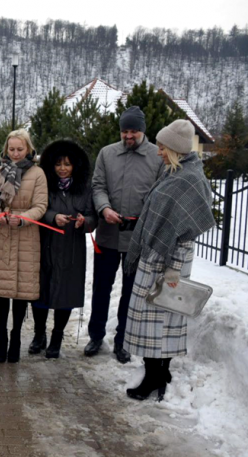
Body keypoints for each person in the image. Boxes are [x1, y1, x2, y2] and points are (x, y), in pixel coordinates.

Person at [124, 120, 215, 401]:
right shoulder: (174, 172)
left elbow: (186, 229)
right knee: (154, 319)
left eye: (163, 147)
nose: (159, 152)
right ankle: (158, 373)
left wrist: (173, 269)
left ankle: (155, 377)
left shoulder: (188, 179)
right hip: (154, 256)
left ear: (175, 149)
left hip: (169, 261)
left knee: (160, 320)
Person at [87, 106, 164, 363]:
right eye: (125, 131)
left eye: (134, 131)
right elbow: (98, 185)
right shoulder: (107, 154)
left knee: (131, 292)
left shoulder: (157, 156)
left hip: (137, 240)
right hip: (108, 234)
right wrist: (104, 208)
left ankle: (123, 340)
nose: (129, 136)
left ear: (143, 131)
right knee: (101, 288)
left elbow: (161, 193)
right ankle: (96, 335)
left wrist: (146, 218)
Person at [0, 129, 47, 363]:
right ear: (6, 150)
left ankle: (16, 336)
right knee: (3, 289)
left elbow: (41, 205)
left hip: (26, 235)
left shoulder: (38, 174)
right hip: (2, 235)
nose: (16, 153)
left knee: (20, 291)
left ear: (29, 149)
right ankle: (1, 337)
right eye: (12, 149)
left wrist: (22, 218)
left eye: (20, 149)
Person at [31, 140, 96, 358]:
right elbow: (38, 209)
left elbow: (92, 217)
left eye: (67, 164)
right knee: (40, 291)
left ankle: (56, 337)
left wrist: (83, 221)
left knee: (65, 293)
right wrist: (52, 217)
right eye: (58, 164)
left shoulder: (84, 189)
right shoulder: (45, 186)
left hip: (72, 248)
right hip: (45, 244)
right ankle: (39, 335)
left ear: (75, 165)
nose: (62, 168)